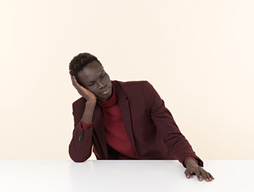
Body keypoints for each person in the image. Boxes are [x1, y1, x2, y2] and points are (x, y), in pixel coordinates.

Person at [68, 53, 214, 182]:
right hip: (115, 177)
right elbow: (79, 156)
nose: (101, 84)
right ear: (82, 88)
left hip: (156, 171)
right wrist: (91, 103)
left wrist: (191, 162)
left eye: (102, 76)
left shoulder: (142, 92)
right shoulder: (82, 108)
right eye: (91, 84)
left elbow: (171, 134)